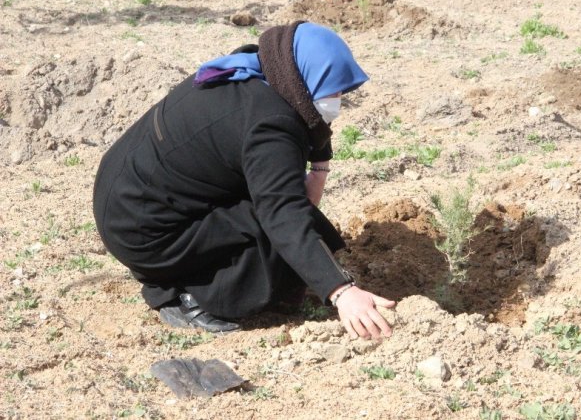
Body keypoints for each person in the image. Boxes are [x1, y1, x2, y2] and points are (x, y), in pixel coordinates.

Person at [92, 21, 395, 339]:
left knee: (290, 216)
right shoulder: (271, 126)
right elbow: (283, 214)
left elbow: (309, 126)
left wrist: (319, 165)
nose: (337, 99)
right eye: (331, 89)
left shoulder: (257, 69)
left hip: (124, 198)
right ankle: (184, 294)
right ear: (305, 77)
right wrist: (341, 291)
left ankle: (172, 271)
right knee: (273, 249)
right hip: (144, 233)